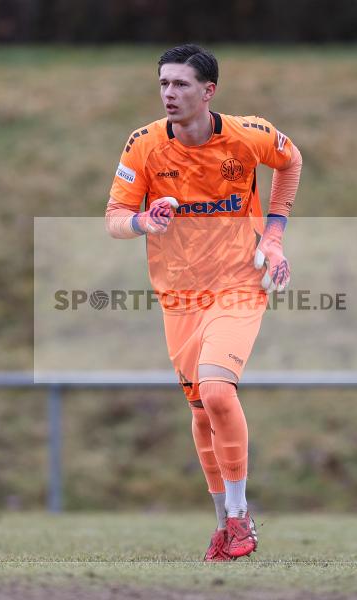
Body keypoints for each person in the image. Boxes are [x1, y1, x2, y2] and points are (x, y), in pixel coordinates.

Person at [105, 44, 302, 561]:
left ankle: (240, 517)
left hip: (238, 284)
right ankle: (222, 526)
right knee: (199, 411)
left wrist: (274, 235)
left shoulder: (248, 135)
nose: (169, 94)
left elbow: (291, 161)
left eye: (181, 84)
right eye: (163, 84)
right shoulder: (144, 145)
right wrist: (143, 221)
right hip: (179, 295)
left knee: (216, 391)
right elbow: (114, 218)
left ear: (208, 91)